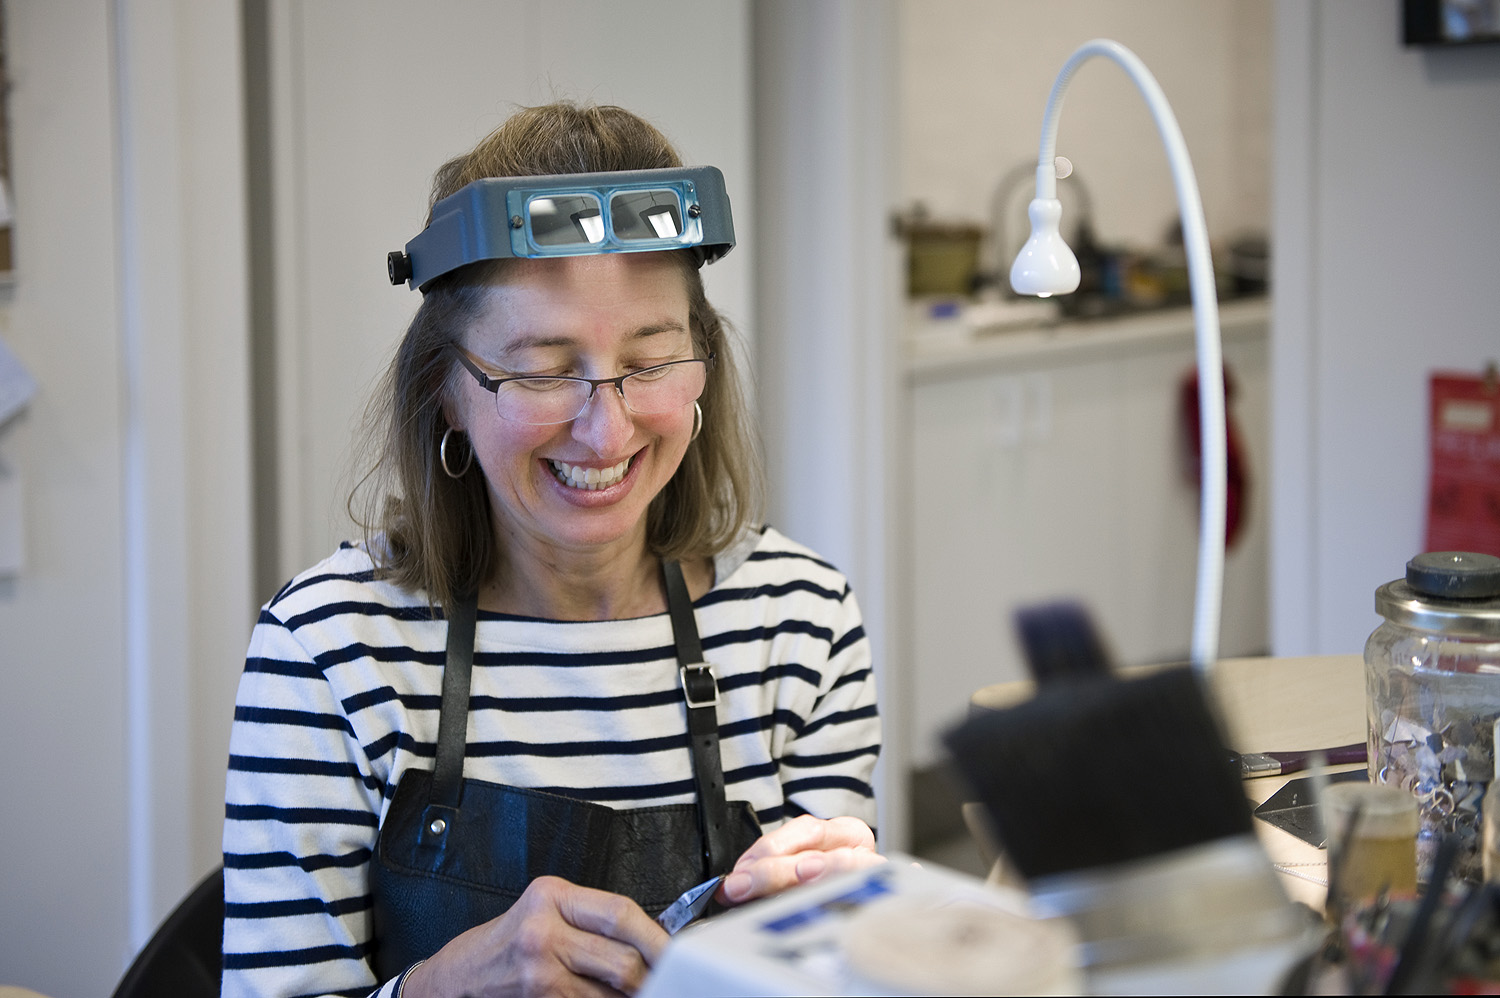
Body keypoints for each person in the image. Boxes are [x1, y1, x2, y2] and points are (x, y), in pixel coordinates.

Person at [221, 102, 882, 998]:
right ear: (446, 388)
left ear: (703, 368)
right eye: (541, 369)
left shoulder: (800, 624)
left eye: (649, 362)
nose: (605, 431)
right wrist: (443, 990)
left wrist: (849, 942)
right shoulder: (331, 651)